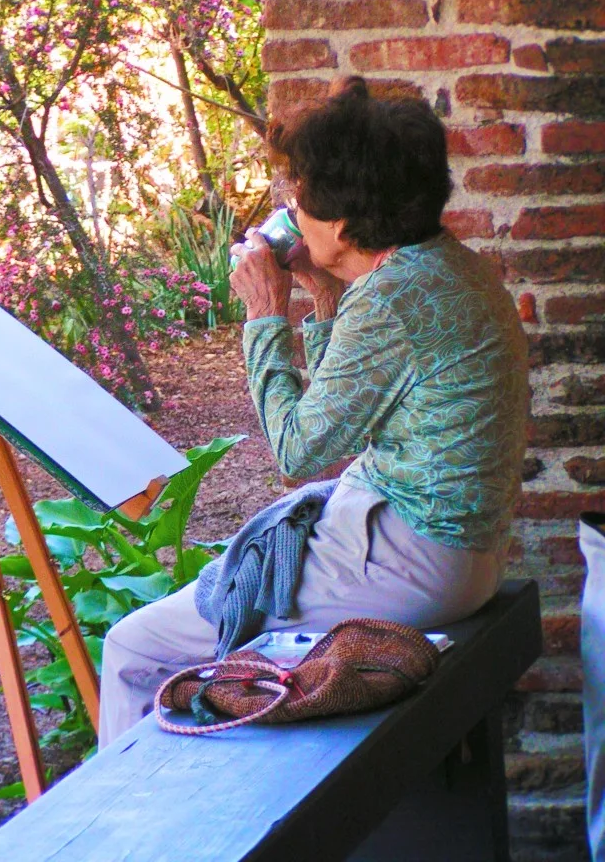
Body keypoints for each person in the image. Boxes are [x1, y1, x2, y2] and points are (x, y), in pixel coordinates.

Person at [97, 76, 528, 749]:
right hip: (455, 551)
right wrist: (325, 297)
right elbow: (349, 412)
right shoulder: (442, 267)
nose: (291, 214)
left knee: (133, 647)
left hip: (413, 562)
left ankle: (126, 837)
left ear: (345, 225)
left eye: (300, 203)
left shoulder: (392, 297)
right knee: (250, 566)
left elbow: (300, 451)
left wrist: (266, 316)